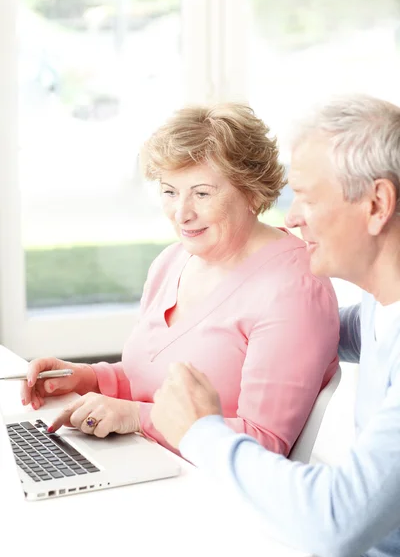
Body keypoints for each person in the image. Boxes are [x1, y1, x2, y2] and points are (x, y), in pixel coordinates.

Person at [151, 94, 400, 557]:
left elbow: (338, 522)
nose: (293, 218)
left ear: (376, 204)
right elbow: (330, 328)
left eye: (307, 198)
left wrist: (200, 432)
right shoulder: (381, 307)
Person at [21, 103, 339, 455]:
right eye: (170, 191)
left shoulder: (293, 289)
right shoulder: (172, 261)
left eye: (202, 193)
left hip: (217, 493)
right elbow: (151, 379)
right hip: (150, 464)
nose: (182, 213)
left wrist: (136, 417)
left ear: (251, 191)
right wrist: (89, 378)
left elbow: (264, 441)